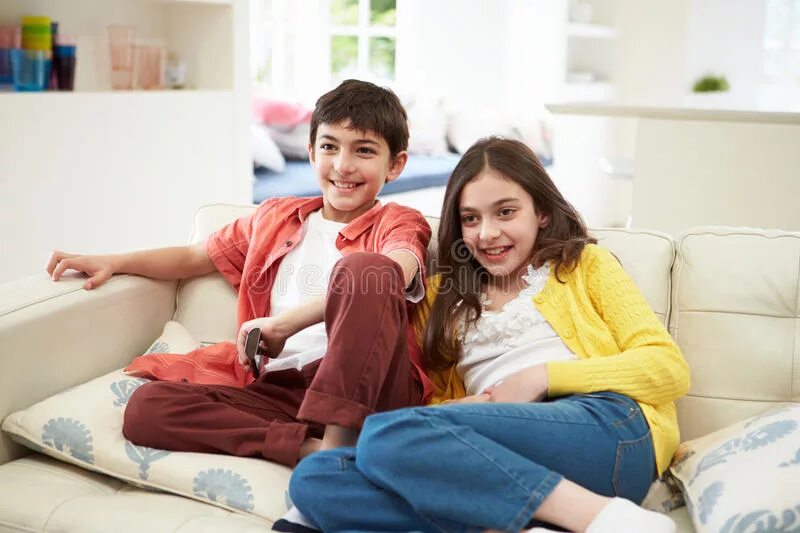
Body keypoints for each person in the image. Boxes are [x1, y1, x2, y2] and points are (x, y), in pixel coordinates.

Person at [285, 137, 690, 533]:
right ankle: (526, 523)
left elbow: (667, 367)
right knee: (315, 477)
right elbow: (438, 398)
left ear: (542, 213)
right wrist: (465, 406)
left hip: (605, 430)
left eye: (506, 212)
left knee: (384, 436)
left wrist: (543, 377)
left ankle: (601, 517)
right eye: (471, 218)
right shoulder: (443, 297)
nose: (487, 234)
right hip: (495, 455)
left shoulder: (583, 265)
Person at [45, 79, 434, 468]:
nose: (343, 165)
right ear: (311, 152)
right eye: (330, 147)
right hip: (283, 390)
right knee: (148, 407)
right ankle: (312, 449)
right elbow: (194, 257)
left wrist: (284, 325)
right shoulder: (275, 216)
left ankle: (335, 447)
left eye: (364, 151)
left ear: (395, 164)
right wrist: (114, 261)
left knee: (364, 268)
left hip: (376, 388)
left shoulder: (398, 220)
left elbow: (394, 270)